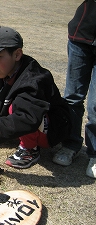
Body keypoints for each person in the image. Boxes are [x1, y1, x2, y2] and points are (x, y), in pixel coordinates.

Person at [0, 26, 71, 169]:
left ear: (17, 54)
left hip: (49, 129)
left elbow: (27, 118)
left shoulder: (34, 80)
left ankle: (30, 150)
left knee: (14, 108)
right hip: (22, 118)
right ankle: (16, 136)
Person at [52, 1, 96, 179]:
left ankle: (94, 154)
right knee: (72, 97)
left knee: (95, 106)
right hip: (81, 37)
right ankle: (71, 144)